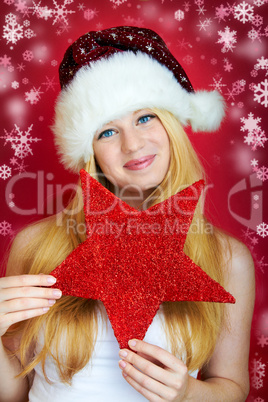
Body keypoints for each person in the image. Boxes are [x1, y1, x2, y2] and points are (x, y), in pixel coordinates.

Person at [0, 26, 255, 401]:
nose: (132, 144)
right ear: (91, 152)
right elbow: (13, 391)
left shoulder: (227, 259)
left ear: (171, 125)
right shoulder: (38, 246)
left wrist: (187, 393)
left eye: (145, 118)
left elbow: (231, 388)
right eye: (107, 132)